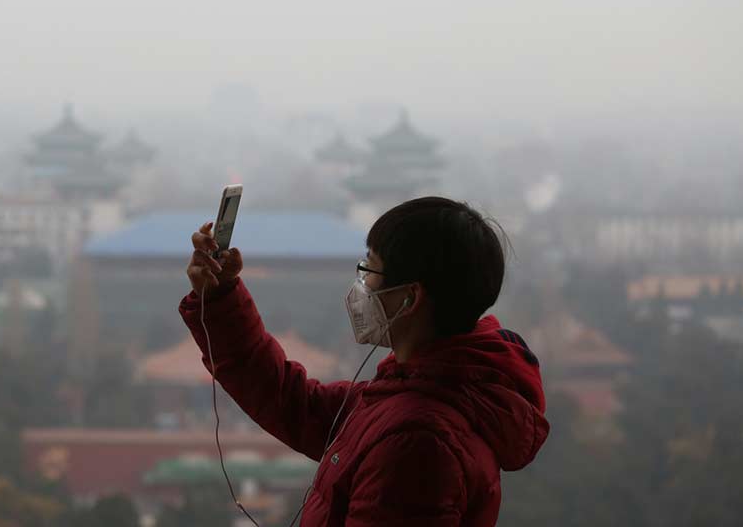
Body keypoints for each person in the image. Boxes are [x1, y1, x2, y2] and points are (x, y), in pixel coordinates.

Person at [179, 196, 549, 526]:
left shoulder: (418, 441)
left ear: (410, 297)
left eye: (369, 271)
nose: (361, 286)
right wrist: (221, 296)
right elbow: (291, 401)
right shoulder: (409, 392)